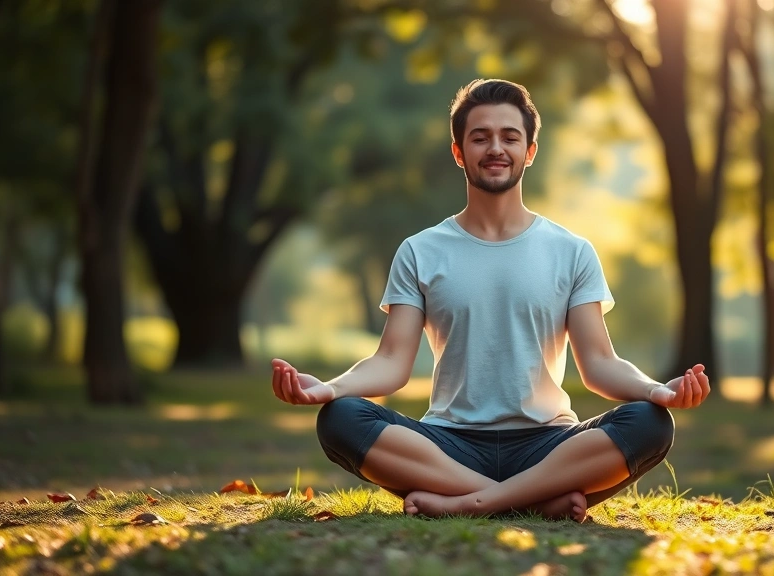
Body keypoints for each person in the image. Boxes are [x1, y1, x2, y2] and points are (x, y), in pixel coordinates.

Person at [270, 79, 710, 522]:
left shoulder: (572, 251)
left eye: (509, 137)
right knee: (340, 419)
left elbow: (599, 364)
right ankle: (536, 502)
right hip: (448, 445)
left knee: (650, 423)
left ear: (530, 151)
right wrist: (330, 388)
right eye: (480, 138)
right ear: (459, 152)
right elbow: (390, 362)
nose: (495, 148)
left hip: (547, 443)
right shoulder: (420, 251)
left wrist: (658, 390)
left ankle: (471, 504)